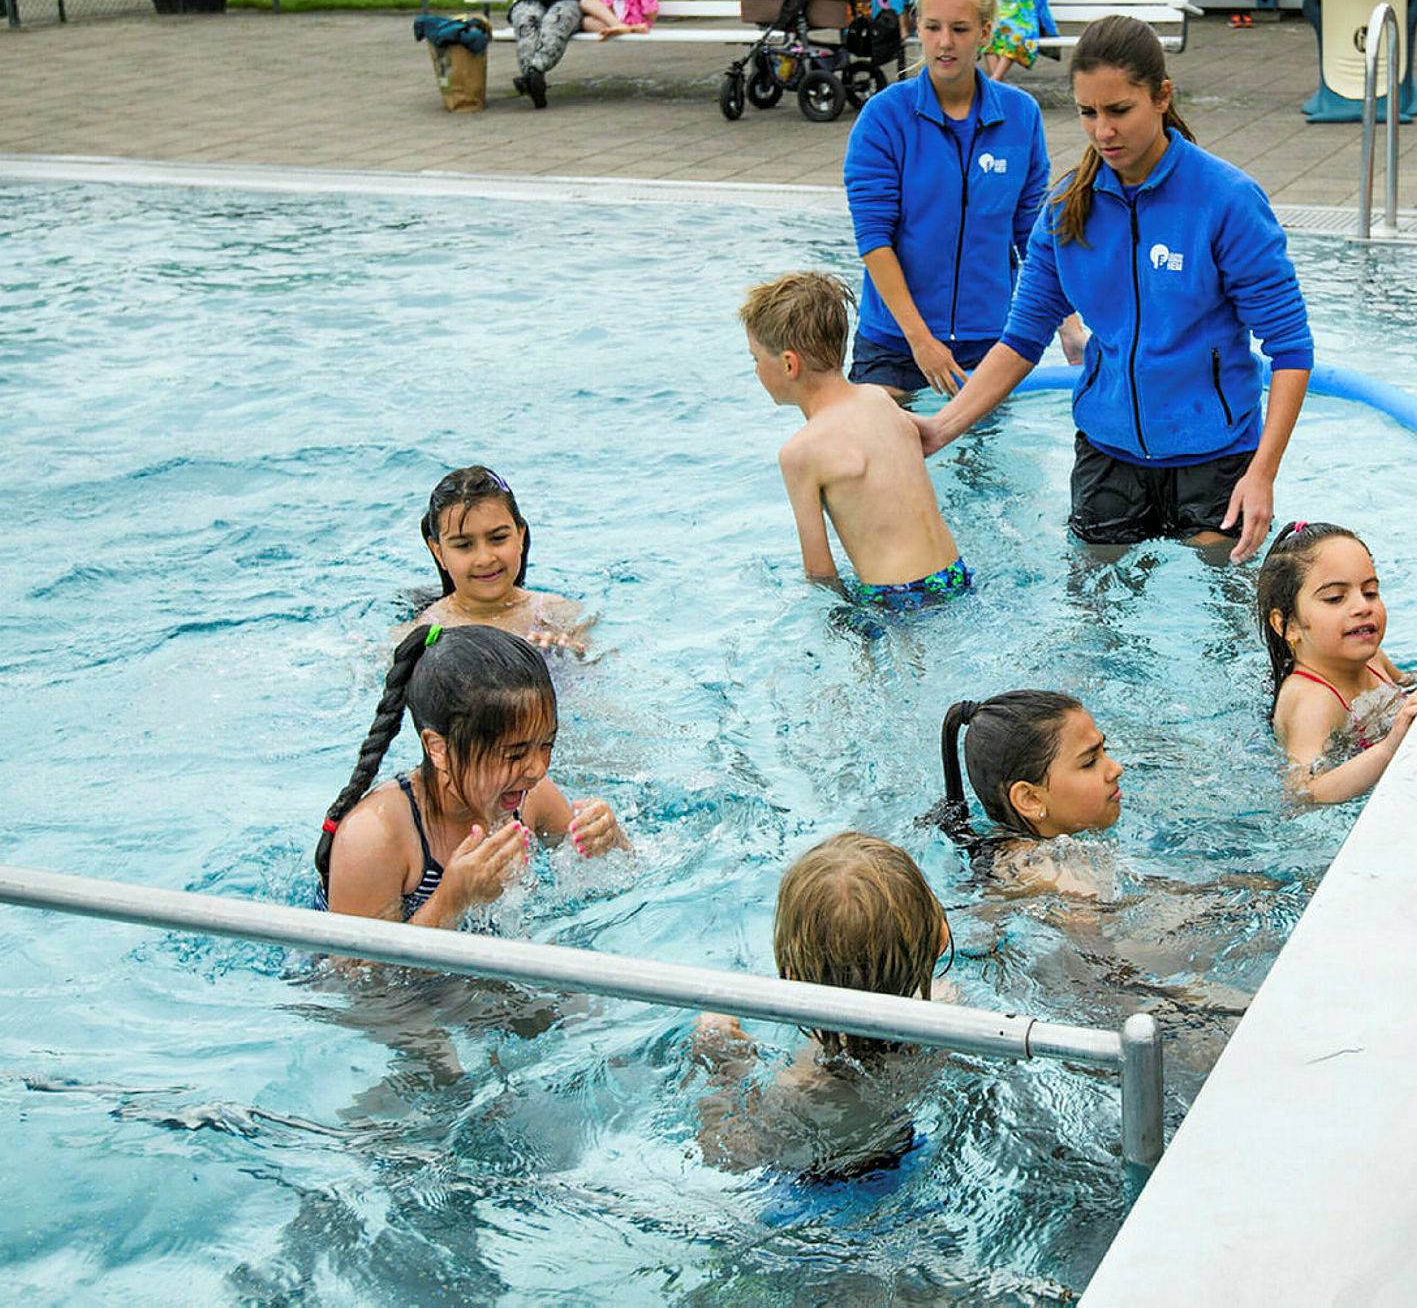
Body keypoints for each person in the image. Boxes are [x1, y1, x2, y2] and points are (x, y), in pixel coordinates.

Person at [912, 16, 1314, 565]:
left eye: (1119, 110)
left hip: (1218, 461)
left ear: (1161, 97)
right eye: (1088, 113)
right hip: (1107, 457)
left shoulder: (1227, 202)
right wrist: (941, 427)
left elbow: (1290, 349)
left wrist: (1262, 474)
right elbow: (1021, 339)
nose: (1103, 132)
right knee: (1095, 626)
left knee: (1221, 630)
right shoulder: (1064, 209)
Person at [842, 0, 1055, 400]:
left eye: (960, 29)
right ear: (916, 27)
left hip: (990, 341)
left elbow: (1033, 235)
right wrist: (922, 342)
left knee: (984, 469)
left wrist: (1068, 326)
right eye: (933, 27)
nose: (945, 43)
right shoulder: (884, 118)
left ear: (985, 32)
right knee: (879, 460)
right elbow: (874, 239)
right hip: (894, 341)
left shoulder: (1021, 117)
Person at [315, 623, 629, 925]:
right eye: (515, 754)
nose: (537, 769)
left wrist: (612, 841)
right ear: (438, 749)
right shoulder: (376, 835)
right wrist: (453, 899)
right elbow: (353, 974)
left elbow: (619, 880)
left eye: (547, 743)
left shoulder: (531, 798)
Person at [690, 831, 952, 1179]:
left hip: (820, 1193)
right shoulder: (950, 1015)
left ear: (793, 976)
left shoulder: (801, 1093)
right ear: (939, 940)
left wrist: (723, 1062)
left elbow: (723, 1153)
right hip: (913, 1157)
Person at [742, 271, 971, 611]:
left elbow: (819, 572)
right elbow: (924, 438)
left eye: (756, 360)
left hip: (895, 599)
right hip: (954, 577)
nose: (757, 370)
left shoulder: (800, 454)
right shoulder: (879, 399)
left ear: (790, 364)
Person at [1257, 521, 1417, 804]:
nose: (1363, 607)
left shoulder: (1373, 660)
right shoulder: (1313, 699)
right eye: (1335, 598)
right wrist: (1388, 749)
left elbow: (1415, 686)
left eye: (1370, 592)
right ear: (1287, 625)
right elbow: (1304, 792)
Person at [934, 691, 1124, 895]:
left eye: (1106, 749)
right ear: (1030, 799)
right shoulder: (1045, 874)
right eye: (1089, 762)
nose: (1116, 768)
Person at [406, 465, 592, 653]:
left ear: (520, 536)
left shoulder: (559, 615)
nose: (485, 559)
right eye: (463, 545)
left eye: (498, 538)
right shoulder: (421, 634)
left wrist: (566, 658)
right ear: (438, 552)